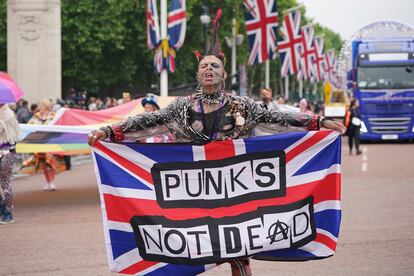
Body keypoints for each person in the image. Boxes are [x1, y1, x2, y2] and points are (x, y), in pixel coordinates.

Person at [88, 10, 345, 276]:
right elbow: (146, 122)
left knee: (239, 253)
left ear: (224, 76)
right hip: (190, 193)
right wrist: (109, 131)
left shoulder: (243, 107)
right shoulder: (180, 109)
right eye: (204, 66)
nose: (209, 70)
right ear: (198, 75)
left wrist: (319, 122)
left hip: (237, 194)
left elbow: (279, 118)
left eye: (215, 67)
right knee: (183, 250)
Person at [24, 99, 66, 191]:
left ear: (46, 106)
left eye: (42, 106)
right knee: (43, 164)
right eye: (40, 106)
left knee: (51, 163)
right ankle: (48, 182)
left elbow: (59, 127)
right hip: (40, 144)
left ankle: (52, 182)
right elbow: (29, 126)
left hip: (51, 143)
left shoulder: (53, 116)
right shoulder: (36, 116)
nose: (40, 108)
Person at [0, 104, 20, 224]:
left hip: (7, 152)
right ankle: (2, 207)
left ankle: (8, 212)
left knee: (5, 182)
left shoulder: (7, 115)